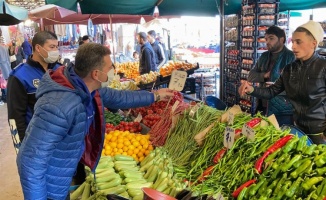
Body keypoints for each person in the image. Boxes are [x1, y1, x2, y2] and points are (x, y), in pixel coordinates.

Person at [16, 42, 174, 199]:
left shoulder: (84, 86)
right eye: (110, 67)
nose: (114, 71)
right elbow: (30, 162)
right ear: (96, 74)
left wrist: (155, 96)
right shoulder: (58, 106)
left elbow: (117, 97)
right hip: (50, 184)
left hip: (65, 172)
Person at [239, 20, 326, 144]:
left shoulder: (323, 67)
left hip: (319, 133)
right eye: (293, 41)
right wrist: (251, 90)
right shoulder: (290, 69)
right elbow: (271, 91)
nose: (293, 46)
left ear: (313, 43)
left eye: (298, 42)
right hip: (297, 129)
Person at [7, 31, 62, 150]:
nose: (55, 51)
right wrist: (21, 148)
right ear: (38, 48)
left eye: (57, 47)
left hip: (60, 139)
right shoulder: (19, 76)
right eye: (52, 47)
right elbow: (15, 117)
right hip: (36, 143)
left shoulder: (60, 70)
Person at [247, 25, 295, 125]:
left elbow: (296, 85)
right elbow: (251, 76)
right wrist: (264, 75)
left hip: (282, 109)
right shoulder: (264, 56)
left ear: (282, 39)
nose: (267, 42)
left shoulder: (291, 57)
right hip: (262, 105)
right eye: (266, 39)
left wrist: (277, 87)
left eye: (271, 38)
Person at [0, 40, 11, 105]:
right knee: (5, 83)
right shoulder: (4, 47)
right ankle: (6, 97)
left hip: (1, 68)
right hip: (6, 66)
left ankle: (5, 97)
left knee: (2, 84)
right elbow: (8, 59)